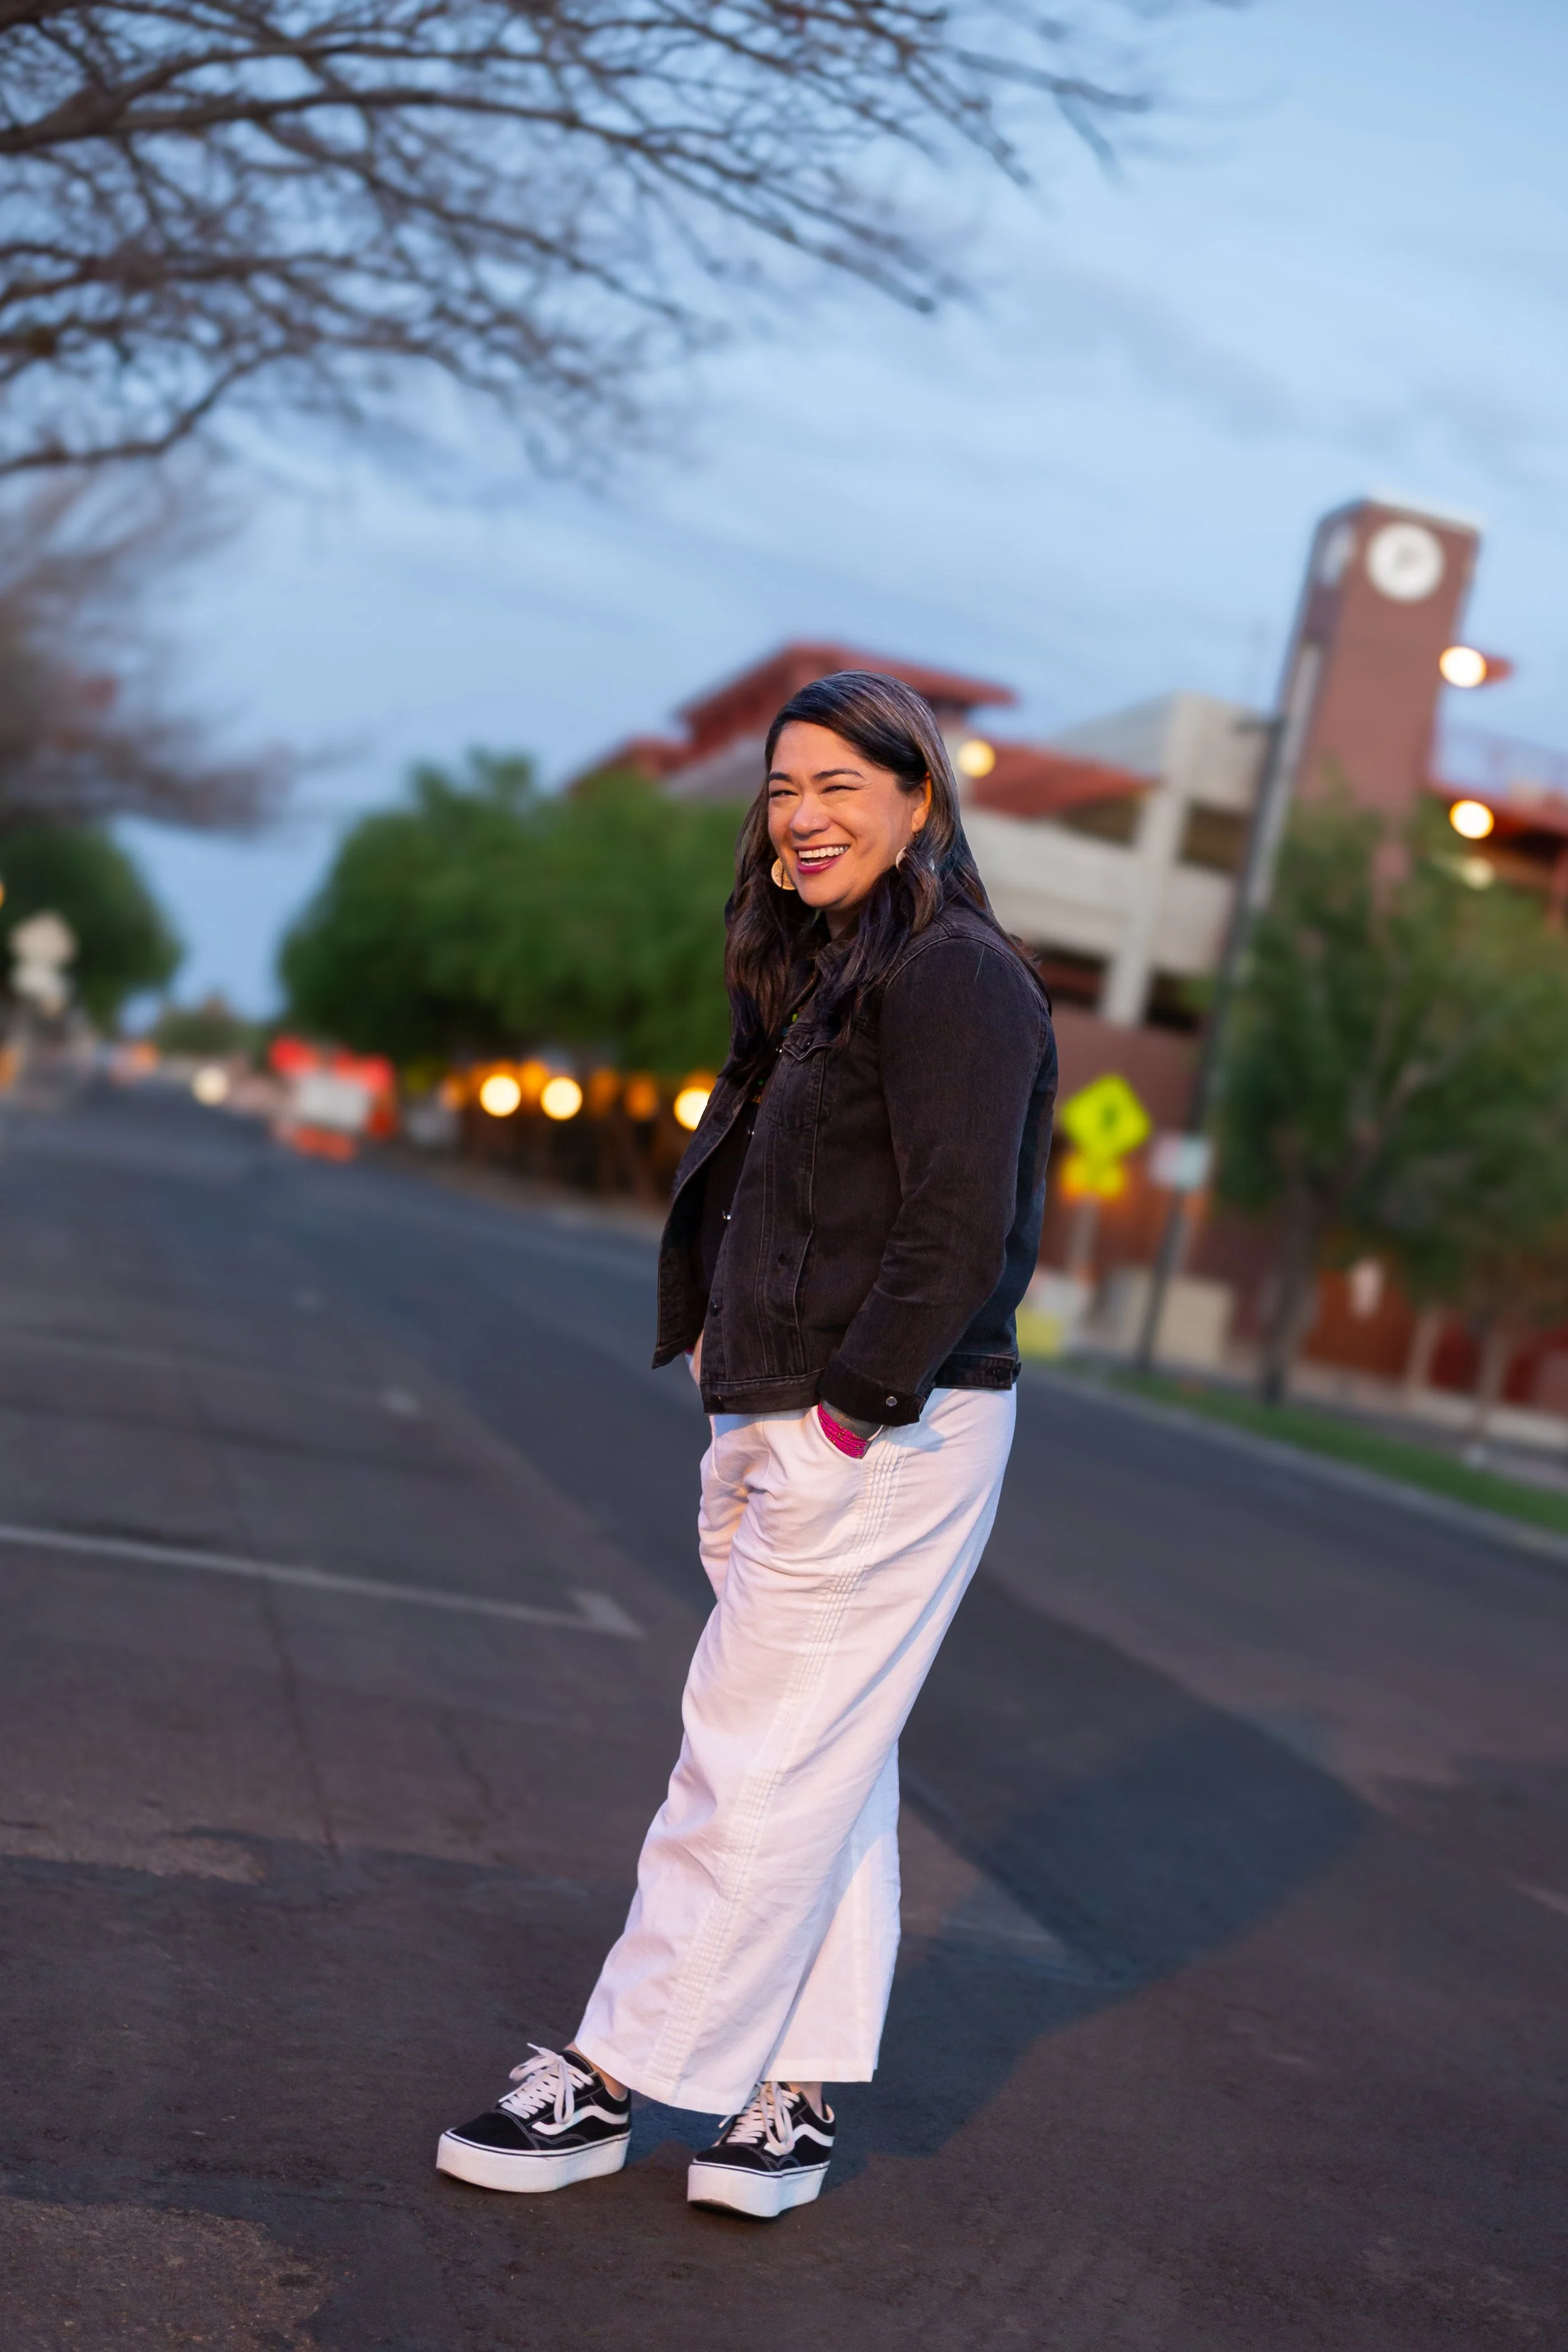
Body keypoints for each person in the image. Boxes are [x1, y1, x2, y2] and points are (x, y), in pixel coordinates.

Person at [437, 669, 1057, 2221]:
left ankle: (614, 2076)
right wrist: (731, 1347)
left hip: (882, 1428)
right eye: (783, 790)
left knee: (745, 1760)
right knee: (815, 1756)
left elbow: (956, 1224)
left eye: (840, 785)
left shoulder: (956, 974)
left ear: (918, 798)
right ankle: (798, 2094)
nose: (800, 817)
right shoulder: (827, 966)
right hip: (781, 1411)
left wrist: (848, 1409)